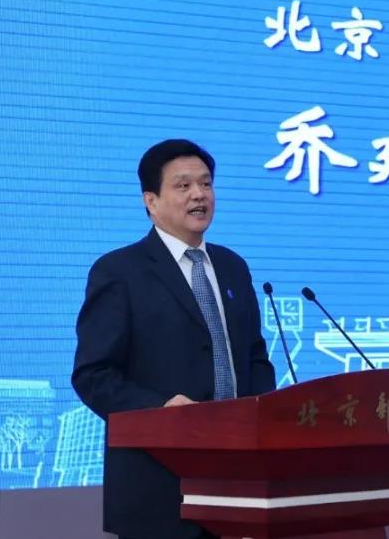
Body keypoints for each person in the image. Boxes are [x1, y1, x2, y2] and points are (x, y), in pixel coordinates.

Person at [72, 139, 276, 539]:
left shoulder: (233, 267)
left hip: (239, 485)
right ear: (150, 201)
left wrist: (264, 417)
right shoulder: (119, 271)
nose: (199, 194)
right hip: (160, 488)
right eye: (183, 186)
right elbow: (93, 375)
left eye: (206, 184)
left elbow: (254, 357)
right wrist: (161, 409)